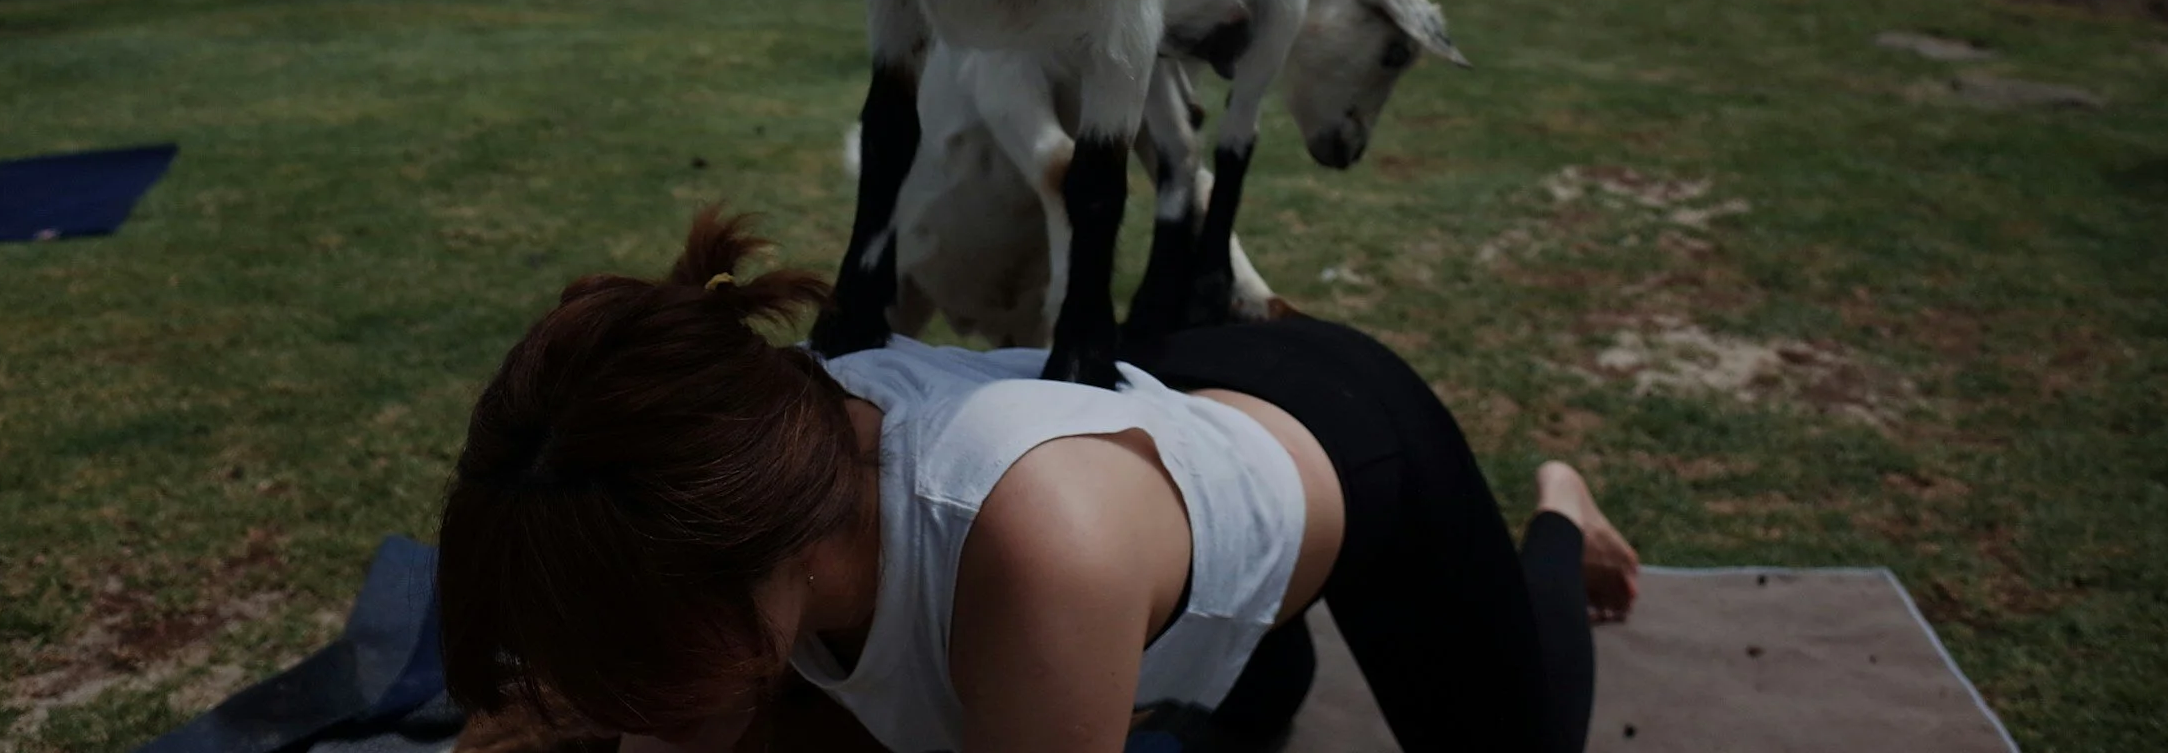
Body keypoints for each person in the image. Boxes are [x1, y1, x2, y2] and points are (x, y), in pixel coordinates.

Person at [438, 211, 1640, 753]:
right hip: (1149, 413)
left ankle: (1555, 510)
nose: (617, 713)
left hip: (1345, 447)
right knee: (1247, 699)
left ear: (782, 547)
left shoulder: (1031, 546)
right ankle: (1222, 624)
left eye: (640, 673)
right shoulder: (747, 444)